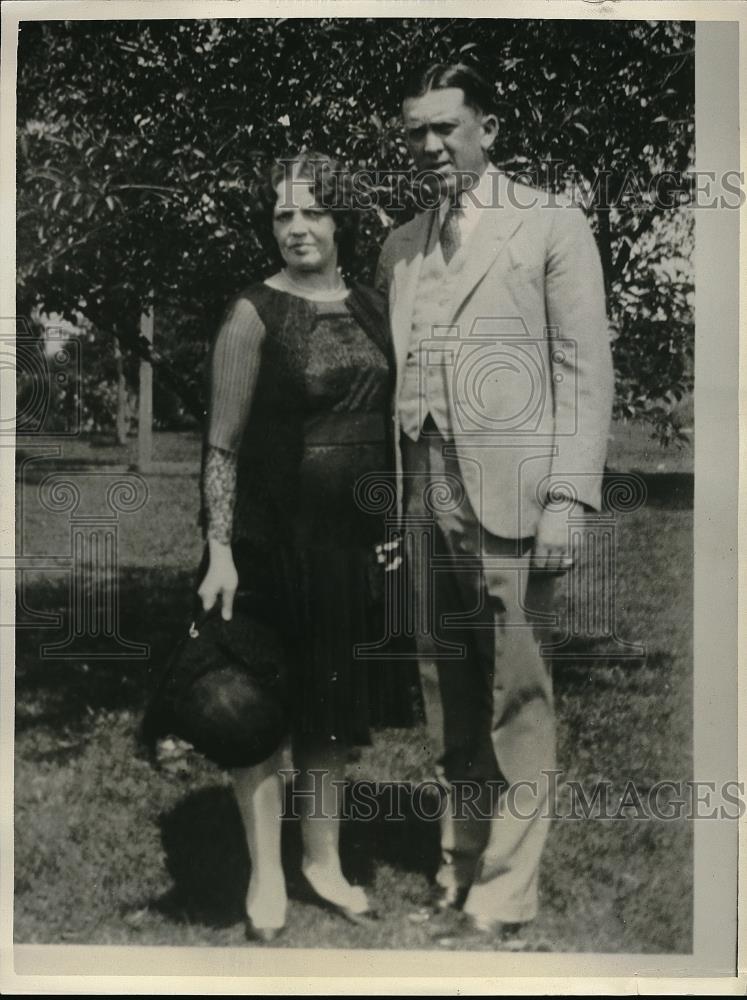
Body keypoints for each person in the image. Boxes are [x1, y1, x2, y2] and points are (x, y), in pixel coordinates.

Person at [375, 63, 614, 940]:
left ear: (488, 128)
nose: (431, 146)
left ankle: (506, 892)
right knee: (448, 688)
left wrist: (565, 497)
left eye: (447, 127)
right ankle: (459, 862)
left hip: (514, 494)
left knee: (517, 691)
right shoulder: (399, 245)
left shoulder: (550, 221)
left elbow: (582, 370)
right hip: (422, 487)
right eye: (416, 133)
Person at [198, 151, 402, 942]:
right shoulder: (254, 312)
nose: (296, 228)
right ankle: (266, 878)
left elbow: (392, 426)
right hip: (266, 544)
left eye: (312, 211)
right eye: (282, 214)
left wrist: (392, 522)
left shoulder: (376, 308)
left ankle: (324, 862)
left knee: (329, 716)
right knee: (260, 715)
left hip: (348, 549)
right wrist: (220, 549)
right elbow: (221, 444)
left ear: (341, 220)